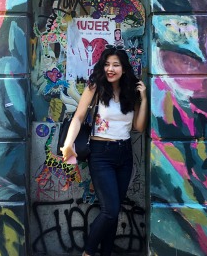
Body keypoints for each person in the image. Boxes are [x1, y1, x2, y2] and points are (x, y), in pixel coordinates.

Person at [60, 47, 148, 256]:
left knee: (114, 211)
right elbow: (79, 117)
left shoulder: (130, 92)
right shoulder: (95, 88)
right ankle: (88, 252)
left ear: (124, 69)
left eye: (116, 65)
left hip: (124, 153)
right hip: (101, 154)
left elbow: (139, 127)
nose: (110, 69)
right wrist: (69, 143)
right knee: (109, 211)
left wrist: (143, 99)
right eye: (107, 64)